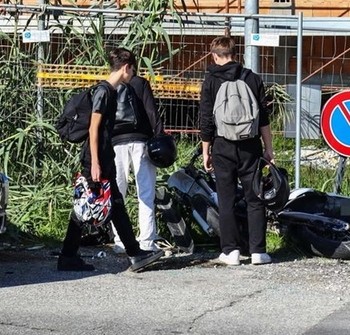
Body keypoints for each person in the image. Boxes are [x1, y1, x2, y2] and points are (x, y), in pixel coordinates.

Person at [58, 47, 165, 273]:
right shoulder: (105, 91)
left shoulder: (110, 90)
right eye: (133, 70)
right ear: (126, 68)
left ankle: (135, 253)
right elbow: (94, 128)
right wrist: (95, 162)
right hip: (95, 159)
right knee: (84, 207)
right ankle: (68, 256)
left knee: (115, 204)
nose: (133, 75)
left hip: (104, 156)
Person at [198, 36, 274, 266]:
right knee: (255, 197)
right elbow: (263, 117)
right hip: (250, 145)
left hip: (222, 145)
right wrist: (268, 148)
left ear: (215, 55)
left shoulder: (211, 80)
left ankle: (230, 251)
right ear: (235, 54)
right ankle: (258, 251)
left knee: (227, 198)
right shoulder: (252, 78)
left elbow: (205, 118)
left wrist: (206, 150)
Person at [110, 69, 193, 256]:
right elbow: (151, 110)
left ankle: (119, 241)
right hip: (141, 141)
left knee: (118, 192)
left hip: (116, 143)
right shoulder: (140, 83)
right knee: (145, 192)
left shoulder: (109, 84)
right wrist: (160, 135)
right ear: (130, 66)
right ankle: (147, 240)